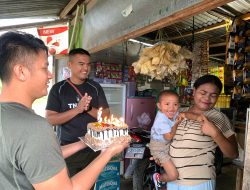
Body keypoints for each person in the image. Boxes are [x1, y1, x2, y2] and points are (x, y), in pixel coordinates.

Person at [0, 31, 129, 190]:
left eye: (88, 64)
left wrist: (85, 142)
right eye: (44, 67)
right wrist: (109, 152)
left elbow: (38, 156)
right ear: (21, 71)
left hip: (88, 148)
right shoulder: (35, 127)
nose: (49, 75)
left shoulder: (9, 117)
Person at [45, 48, 110, 177]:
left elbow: (106, 116)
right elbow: (49, 119)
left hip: (93, 149)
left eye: (88, 64)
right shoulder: (59, 89)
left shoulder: (95, 87)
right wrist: (77, 109)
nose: (85, 68)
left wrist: (89, 108)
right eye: (81, 64)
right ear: (70, 65)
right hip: (69, 151)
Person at [166, 75, 239, 190]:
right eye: (203, 93)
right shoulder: (179, 112)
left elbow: (233, 154)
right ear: (194, 91)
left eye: (213, 95)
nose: (207, 98)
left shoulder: (219, 118)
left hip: (199, 183)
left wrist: (215, 133)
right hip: (173, 180)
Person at [149, 90, 204, 189]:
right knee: (173, 175)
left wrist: (198, 118)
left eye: (175, 104)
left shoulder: (171, 113)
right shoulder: (161, 120)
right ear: (159, 106)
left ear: (178, 105)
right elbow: (169, 136)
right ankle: (158, 178)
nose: (171, 108)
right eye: (167, 104)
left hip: (167, 145)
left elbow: (183, 114)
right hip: (159, 149)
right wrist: (176, 124)